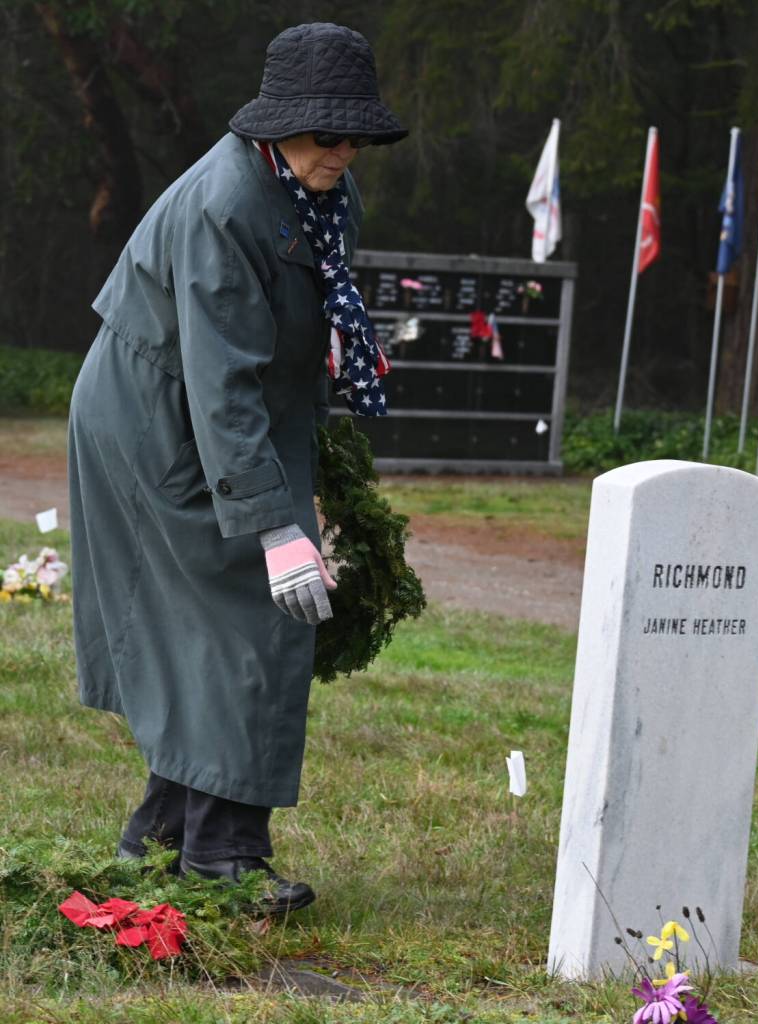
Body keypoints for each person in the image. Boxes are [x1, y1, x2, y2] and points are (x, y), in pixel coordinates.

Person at [67, 22, 406, 915]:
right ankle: (221, 858)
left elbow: (296, 336)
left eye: (353, 135)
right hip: (159, 422)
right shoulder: (226, 206)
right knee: (247, 616)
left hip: (225, 414)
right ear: (276, 126)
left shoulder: (317, 193)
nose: (342, 151)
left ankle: (163, 838)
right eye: (325, 134)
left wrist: (322, 453)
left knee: (221, 630)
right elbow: (223, 386)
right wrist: (272, 524)